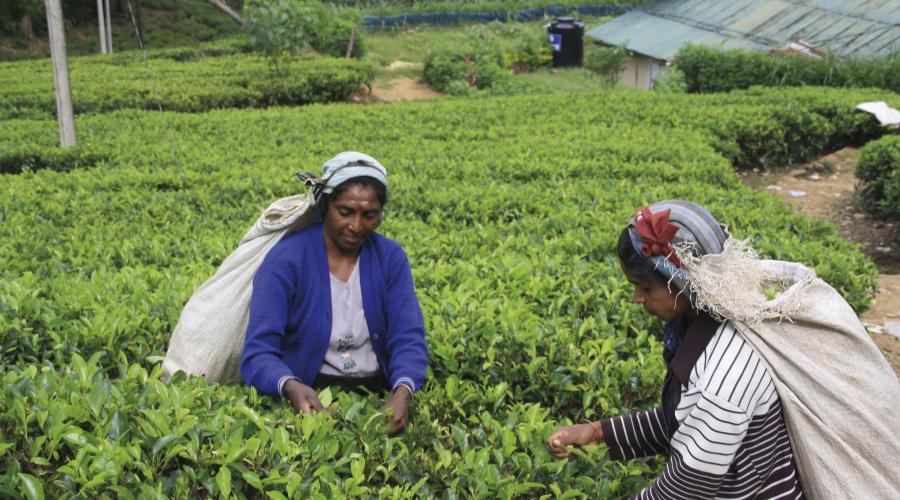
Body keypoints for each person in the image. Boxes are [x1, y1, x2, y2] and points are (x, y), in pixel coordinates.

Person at [546, 201, 805, 498]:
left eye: (646, 289)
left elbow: (687, 488)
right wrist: (598, 432)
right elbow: (683, 420)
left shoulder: (726, 371)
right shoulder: (701, 322)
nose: (636, 299)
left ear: (683, 282)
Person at [241, 152, 427, 434]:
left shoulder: (391, 258)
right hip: (310, 396)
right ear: (326, 205)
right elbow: (258, 354)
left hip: (375, 395)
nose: (356, 226)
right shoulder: (287, 260)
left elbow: (408, 337)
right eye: (345, 212)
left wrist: (403, 391)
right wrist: (291, 386)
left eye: (369, 215)